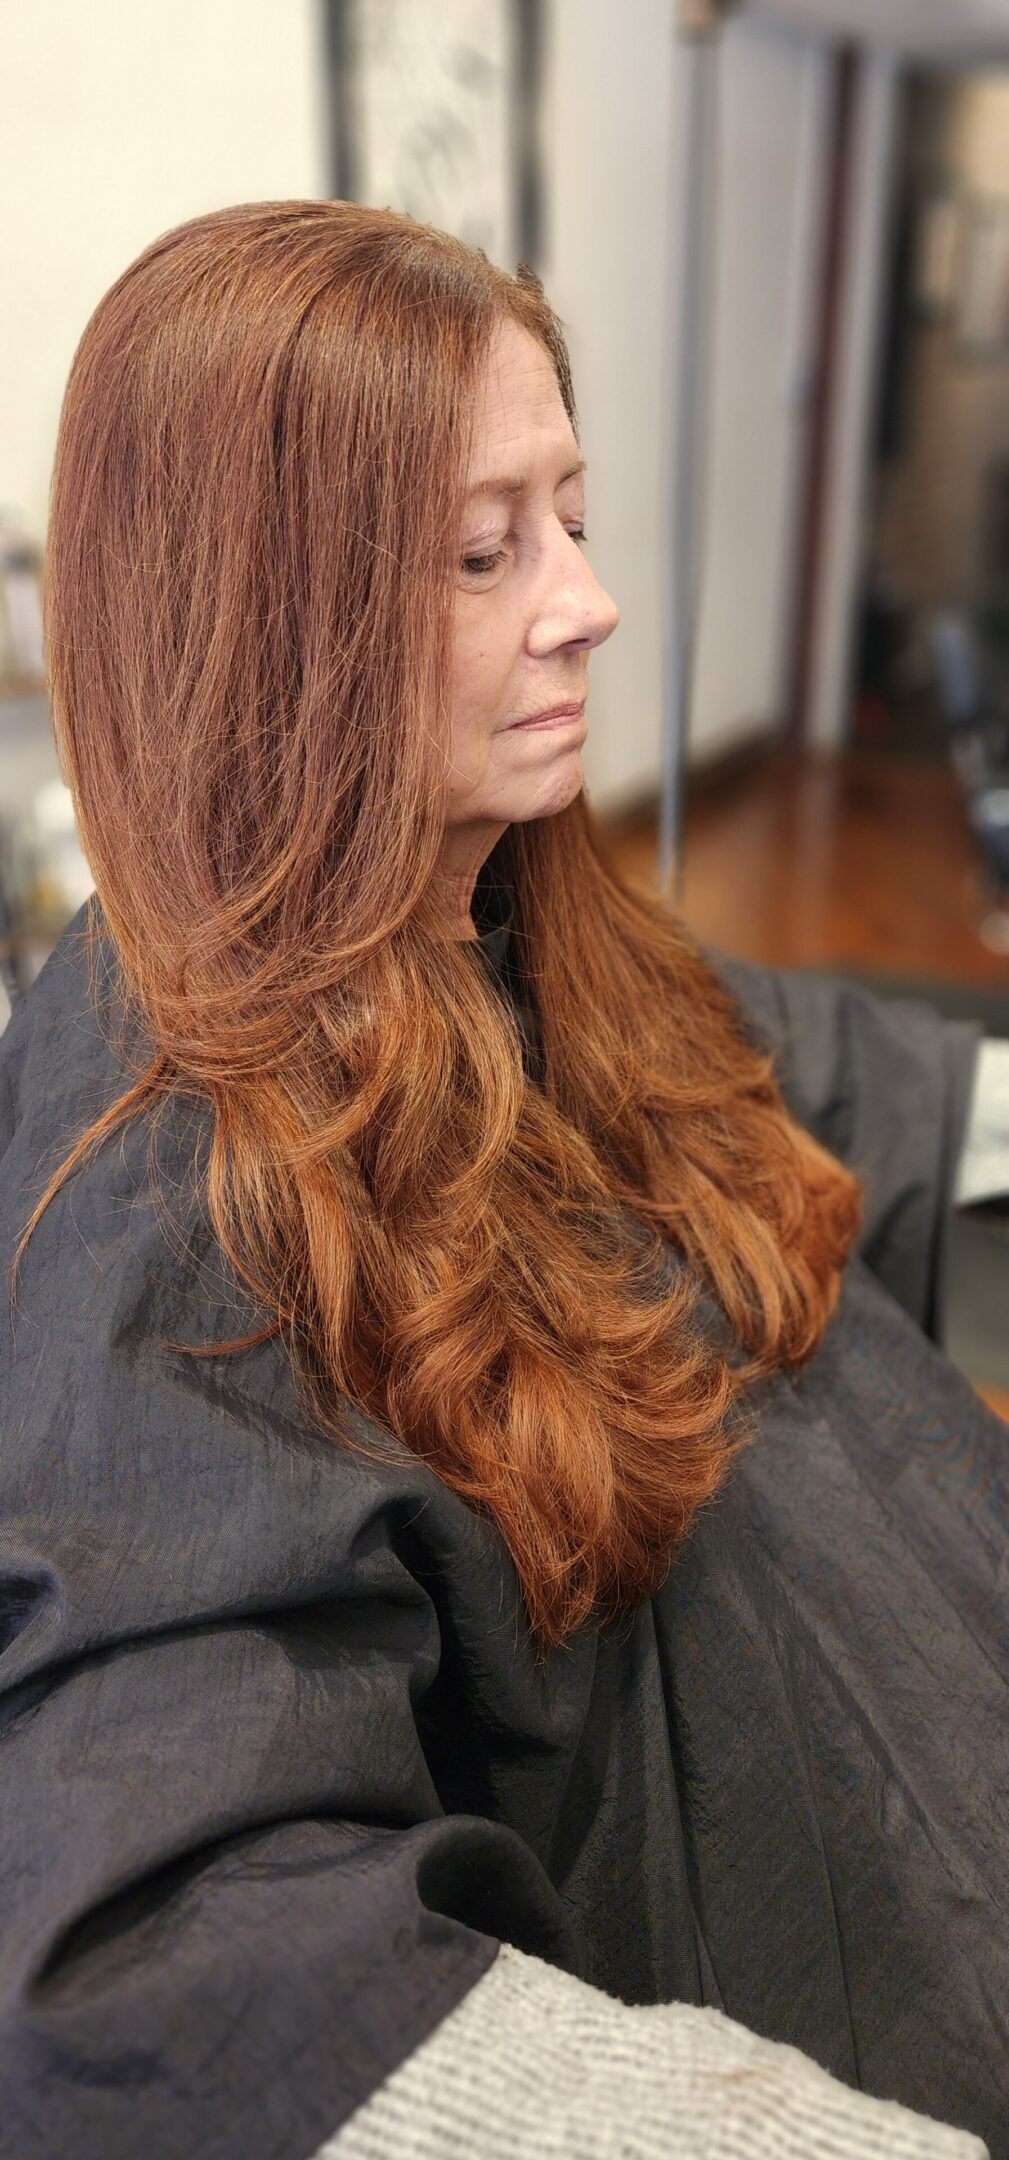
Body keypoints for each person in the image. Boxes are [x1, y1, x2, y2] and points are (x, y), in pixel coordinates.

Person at [0, 198, 1005, 2160]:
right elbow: (164, 1955)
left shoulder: (522, 922)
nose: (586, 599)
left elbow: (817, 1068)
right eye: (483, 550)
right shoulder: (171, 1158)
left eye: (570, 512)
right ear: (261, 613)